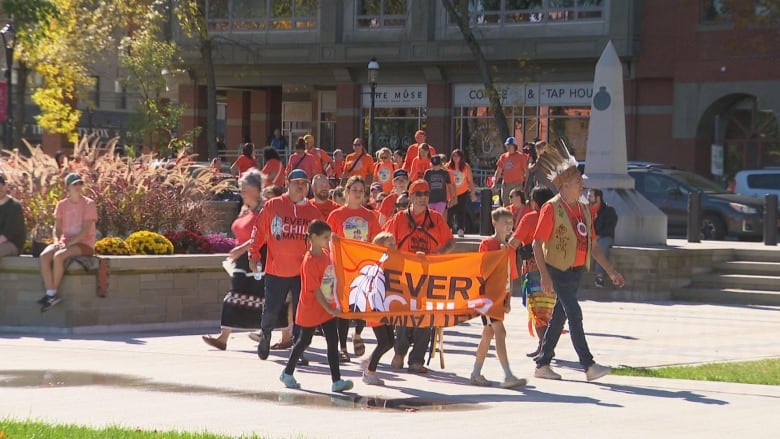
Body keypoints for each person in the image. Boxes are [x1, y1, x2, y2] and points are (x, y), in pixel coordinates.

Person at [531, 159, 625, 382]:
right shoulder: (551, 208)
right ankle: (588, 365)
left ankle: (543, 364)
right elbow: (536, 243)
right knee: (574, 312)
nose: (582, 185)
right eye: (576, 182)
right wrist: (544, 274)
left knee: (560, 317)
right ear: (564, 185)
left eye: (580, 182)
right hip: (557, 269)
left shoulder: (584, 209)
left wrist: (611, 271)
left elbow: (593, 245)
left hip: (576, 270)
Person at [249, 169, 324, 361]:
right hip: (277, 270)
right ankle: (265, 334)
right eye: (296, 182)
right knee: (272, 310)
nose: (300, 186)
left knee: (302, 312)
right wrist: (253, 254)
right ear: (287, 183)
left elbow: (323, 241)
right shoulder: (274, 205)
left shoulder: (313, 212)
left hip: (303, 272)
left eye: (304, 183)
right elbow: (259, 230)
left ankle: (297, 350)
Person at [382, 179, 455, 374]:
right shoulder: (399, 219)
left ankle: (417, 360)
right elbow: (384, 240)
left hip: (428, 275)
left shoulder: (437, 219)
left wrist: (438, 255)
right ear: (411, 196)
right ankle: (400, 353)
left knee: (425, 318)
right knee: (404, 317)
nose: (423, 198)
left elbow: (450, 242)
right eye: (419, 194)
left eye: (426, 194)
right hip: (404, 275)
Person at [279, 220, 354, 393]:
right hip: (312, 307)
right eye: (325, 237)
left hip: (327, 307)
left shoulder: (327, 253)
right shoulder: (310, 261)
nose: (328, 240)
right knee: (304, 340)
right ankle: (287, 372)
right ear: (313, 237)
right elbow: (315, 291)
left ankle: (337, 380)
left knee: (332, 342)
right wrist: (330, 309)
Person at [202, 171, 266, 351]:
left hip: (257, 258)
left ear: (255, 188)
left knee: (261, 299)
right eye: (241, 189)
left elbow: (264, 234)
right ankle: (223, 338)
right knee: (236, 296)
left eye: (245, 189)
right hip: (241, 261)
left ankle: (281, 334)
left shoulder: (264, 208)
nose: (242, 192)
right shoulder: (245, 209)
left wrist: (241, 249)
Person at [471, 207, 527, 389]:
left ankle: (476, 372)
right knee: (500, 333)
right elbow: (483, 269)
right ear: (495, 223)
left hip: (500, 297)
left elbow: (510, 275)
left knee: (488, 334)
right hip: (488, 298)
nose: (509, 227)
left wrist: (508, 299)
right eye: (505, 223)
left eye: (511, 223)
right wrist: (498, 254)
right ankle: (508, 375)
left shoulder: (510, 249)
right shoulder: (488, 244)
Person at [326, 176, 381, 361]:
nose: (357, 193)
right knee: (344, 308)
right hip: (342, 267)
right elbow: (327, 240)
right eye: (354, 189)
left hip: (363, 268)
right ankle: (342, 347)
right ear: (346, 192)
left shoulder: (370, 216)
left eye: (360, 190)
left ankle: (357, 333)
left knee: (362, 305)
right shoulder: (336, 215)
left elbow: (377, 241)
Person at [38, 173, 98, 312]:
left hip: (84, 244)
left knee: (59, 256)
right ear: (68, 187)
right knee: (44, 256)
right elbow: (57, 229)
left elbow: (85, 231)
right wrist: (58, 241)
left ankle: (52, 294)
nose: (78, 186)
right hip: (66, 243)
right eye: (74, 184)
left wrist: (68, 244)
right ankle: (51, 293)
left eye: (79, 184)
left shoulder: (89, 204)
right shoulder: (61, 205)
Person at [508, 187, 555, 357]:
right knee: (550, 310)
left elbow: (513, 243)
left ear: (534, 202)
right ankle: (546, 345)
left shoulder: (530, 218)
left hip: (534, 269)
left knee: (537, 309)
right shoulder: (558, 217)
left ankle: (544, 347)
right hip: (557, 269)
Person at [360, 231, 398, 386]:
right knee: (383, 341)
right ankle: (369, 373)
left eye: (394, 243)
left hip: (386, 305)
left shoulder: (393, 259)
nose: (394, 246)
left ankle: (369, 361)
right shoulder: (375, 261)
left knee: (390, 342)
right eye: (390, 244)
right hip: (375, 305)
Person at [588, 188, 618, 288]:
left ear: (598, 198)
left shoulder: (609, 210)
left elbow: (609, 227)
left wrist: (597, 236)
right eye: (588, 195)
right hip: (590, 238)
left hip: (605, 237)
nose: (588, 198)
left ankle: (599, 276)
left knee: (601, 245)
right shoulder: (586, 210)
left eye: (591, 196)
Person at [446, 149, 478, 237]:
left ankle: (460, 229)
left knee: (461, 211)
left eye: (457, 156)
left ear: (461, 157)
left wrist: (473, 193)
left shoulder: (466, 167)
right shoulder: (448, 166)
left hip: (463, 192)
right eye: (454, 156)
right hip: (451, 193)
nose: (455, 158)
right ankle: (449, 229)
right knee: (450, 211)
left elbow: (470, 181)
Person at [492, 137, 528, 206]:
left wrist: (525, 185)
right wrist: (494, 183)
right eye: (507, 145)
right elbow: (498, 171)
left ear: (514, 146)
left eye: (510, 145)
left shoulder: (521, 157)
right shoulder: (503, 157)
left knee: (516, 204)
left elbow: (526, 172)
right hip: (506, 185)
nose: (508, 147)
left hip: (517, 185)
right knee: (506, 204)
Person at [0, 172, 26, 258]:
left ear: (6, 185)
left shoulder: (14, 206)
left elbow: (8, 233)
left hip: (12, 243)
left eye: (2, 184)